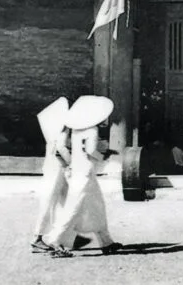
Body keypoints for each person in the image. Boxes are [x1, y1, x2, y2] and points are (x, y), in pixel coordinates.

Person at [41, 95, 122, 258]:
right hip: (85, 172)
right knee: (74, 207)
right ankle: (55, 240)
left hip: (77, 170)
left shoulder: (75, 130)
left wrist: (69, 164)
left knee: (96, 206)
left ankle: (106, 241)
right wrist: (103, 157)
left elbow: (63, 149)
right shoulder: (92, 130)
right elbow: (91, 150)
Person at [31, 97, 71, 253]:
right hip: (58, 168)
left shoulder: (51, 130)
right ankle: (38, 237)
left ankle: (61, 234)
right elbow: (60, 149)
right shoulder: (62, 129)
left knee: (63, 200)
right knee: (51, 200)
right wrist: (70, 164)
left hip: (50, 166)